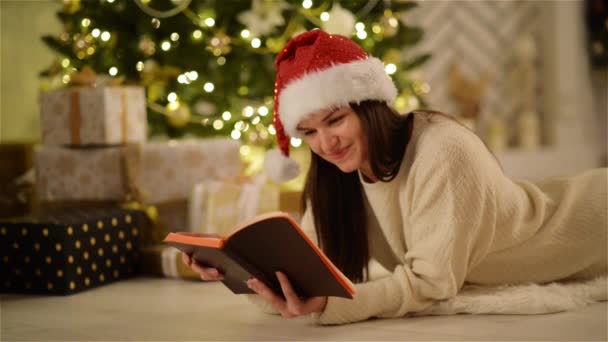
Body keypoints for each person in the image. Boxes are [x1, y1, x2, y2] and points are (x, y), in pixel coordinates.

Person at [182, 29, 608, 325]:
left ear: (369, 105)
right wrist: (241, 273)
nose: (325, 144)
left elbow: (432, 282)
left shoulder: (441, 148)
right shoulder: (338, 174)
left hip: (591, 224)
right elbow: (311, 270)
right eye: (309, 132)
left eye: (335, 119)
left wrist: (331, 305)